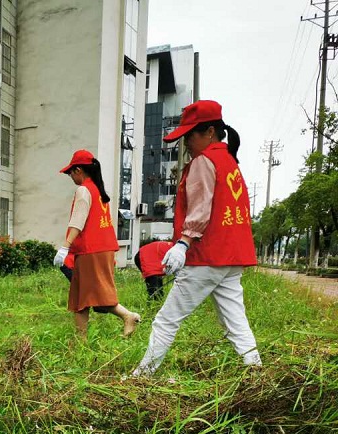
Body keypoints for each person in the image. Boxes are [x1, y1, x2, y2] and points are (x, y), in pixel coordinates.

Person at [133, 100, 261, 376]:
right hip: (231, 257)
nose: (186, 142)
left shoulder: (204, 162)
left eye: (190, 135)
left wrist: (183, 243)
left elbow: (201, 208)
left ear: (210, 132)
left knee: (166, 321)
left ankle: (141, 378)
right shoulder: (229, 162)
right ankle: (256, 373)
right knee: (236, 322)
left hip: (206, 256)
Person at [52, 149, 141, 338]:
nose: (70, 176)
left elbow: (78, 221)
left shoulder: (84, 190)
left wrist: (65, 246)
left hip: (91, 249)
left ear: (78, 170)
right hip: (103, 248)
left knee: (93, 294)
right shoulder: (98, 191)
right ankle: (81, 342)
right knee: (81, 296)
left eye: (70, 173)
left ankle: (127, 316)